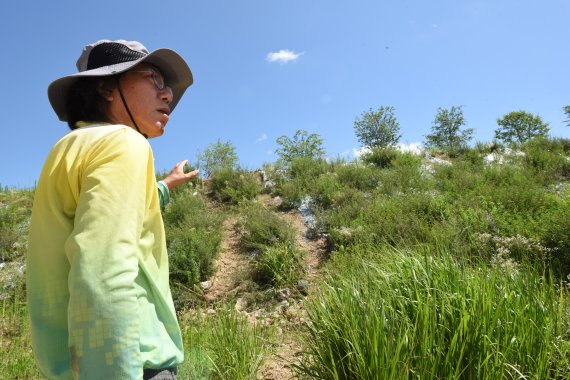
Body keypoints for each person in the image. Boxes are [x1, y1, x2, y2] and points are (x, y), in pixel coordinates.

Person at [27, 39, 198, 379]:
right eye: (154, 78)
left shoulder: (67, 149)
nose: (168, 96)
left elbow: (112, 215)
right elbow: (102, 272)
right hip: (131, 363)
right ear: (106, 86)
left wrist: (164, 186)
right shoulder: (124, 142)